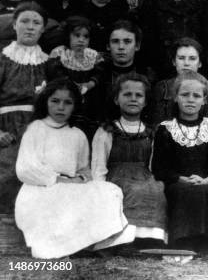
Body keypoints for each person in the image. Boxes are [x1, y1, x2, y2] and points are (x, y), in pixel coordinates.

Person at [15, 78, 128, 259]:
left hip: (71, 186)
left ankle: (97, 242)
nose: (61, 107)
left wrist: (81, 179)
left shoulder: (78, 135)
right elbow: (25, 169)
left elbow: (84, 169)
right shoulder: (36, 129)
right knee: (63, 197)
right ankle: (66, 246)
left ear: (75, 106)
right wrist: (57, 180)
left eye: (67, 103)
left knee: (108, 190)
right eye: (55, 101)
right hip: (39, 189)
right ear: (45, 102)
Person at [0, 2, 63, 214]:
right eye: (24, 21)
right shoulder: (3, 59)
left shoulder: (49, 63)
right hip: (7, 129)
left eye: (36, 23)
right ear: (14, 25)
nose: (30, 27)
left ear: (43, 28)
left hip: (40, 131)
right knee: (8, 172)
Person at [151, 71, 208, 251]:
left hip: (206, 181)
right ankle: (183, 240)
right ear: (176, 97)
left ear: (205, 100)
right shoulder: (166, 129)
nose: (191, 99)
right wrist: (182, 178)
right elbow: (159, 167)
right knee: (186, 190)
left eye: (196, 95)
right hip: (176, 182)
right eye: (185, 95)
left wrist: (207, 179)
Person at [92, 73, 167, 247]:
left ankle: (150, 238)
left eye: (138, 95)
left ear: (146, 101)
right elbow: (98, 166)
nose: (133, 99)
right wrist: (100, 189)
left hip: (145, 176)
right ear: (116, 100)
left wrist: (154, 180)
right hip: (115, 178)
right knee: (130, 190)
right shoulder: (107, 130)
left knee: (157, 189)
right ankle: (125, 238)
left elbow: (153, 164)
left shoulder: (151, 132)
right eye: (127, 94)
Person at [49, 16, 104, 137]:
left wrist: (90, 84)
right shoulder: (60, 53)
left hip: (88, 96)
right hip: (66, 93)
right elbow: (57, 73)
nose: (81, 40)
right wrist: (71, 85)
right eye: (77, 35)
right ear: (68, 35)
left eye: (85, 36)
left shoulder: (92, 55)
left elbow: (99, 73)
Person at [151, 38, 208, 126]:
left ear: (200, 63)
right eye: (181, 58)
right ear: (174, 61)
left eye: (192, 58)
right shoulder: (163, 88)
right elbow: (157, 125)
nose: (186, 63)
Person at [98, 20, 151, 122]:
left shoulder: (148, 77)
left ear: (137, 46)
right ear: (108, 46)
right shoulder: (98, 76)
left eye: (127, 41)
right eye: (115, 41)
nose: (121, 47)